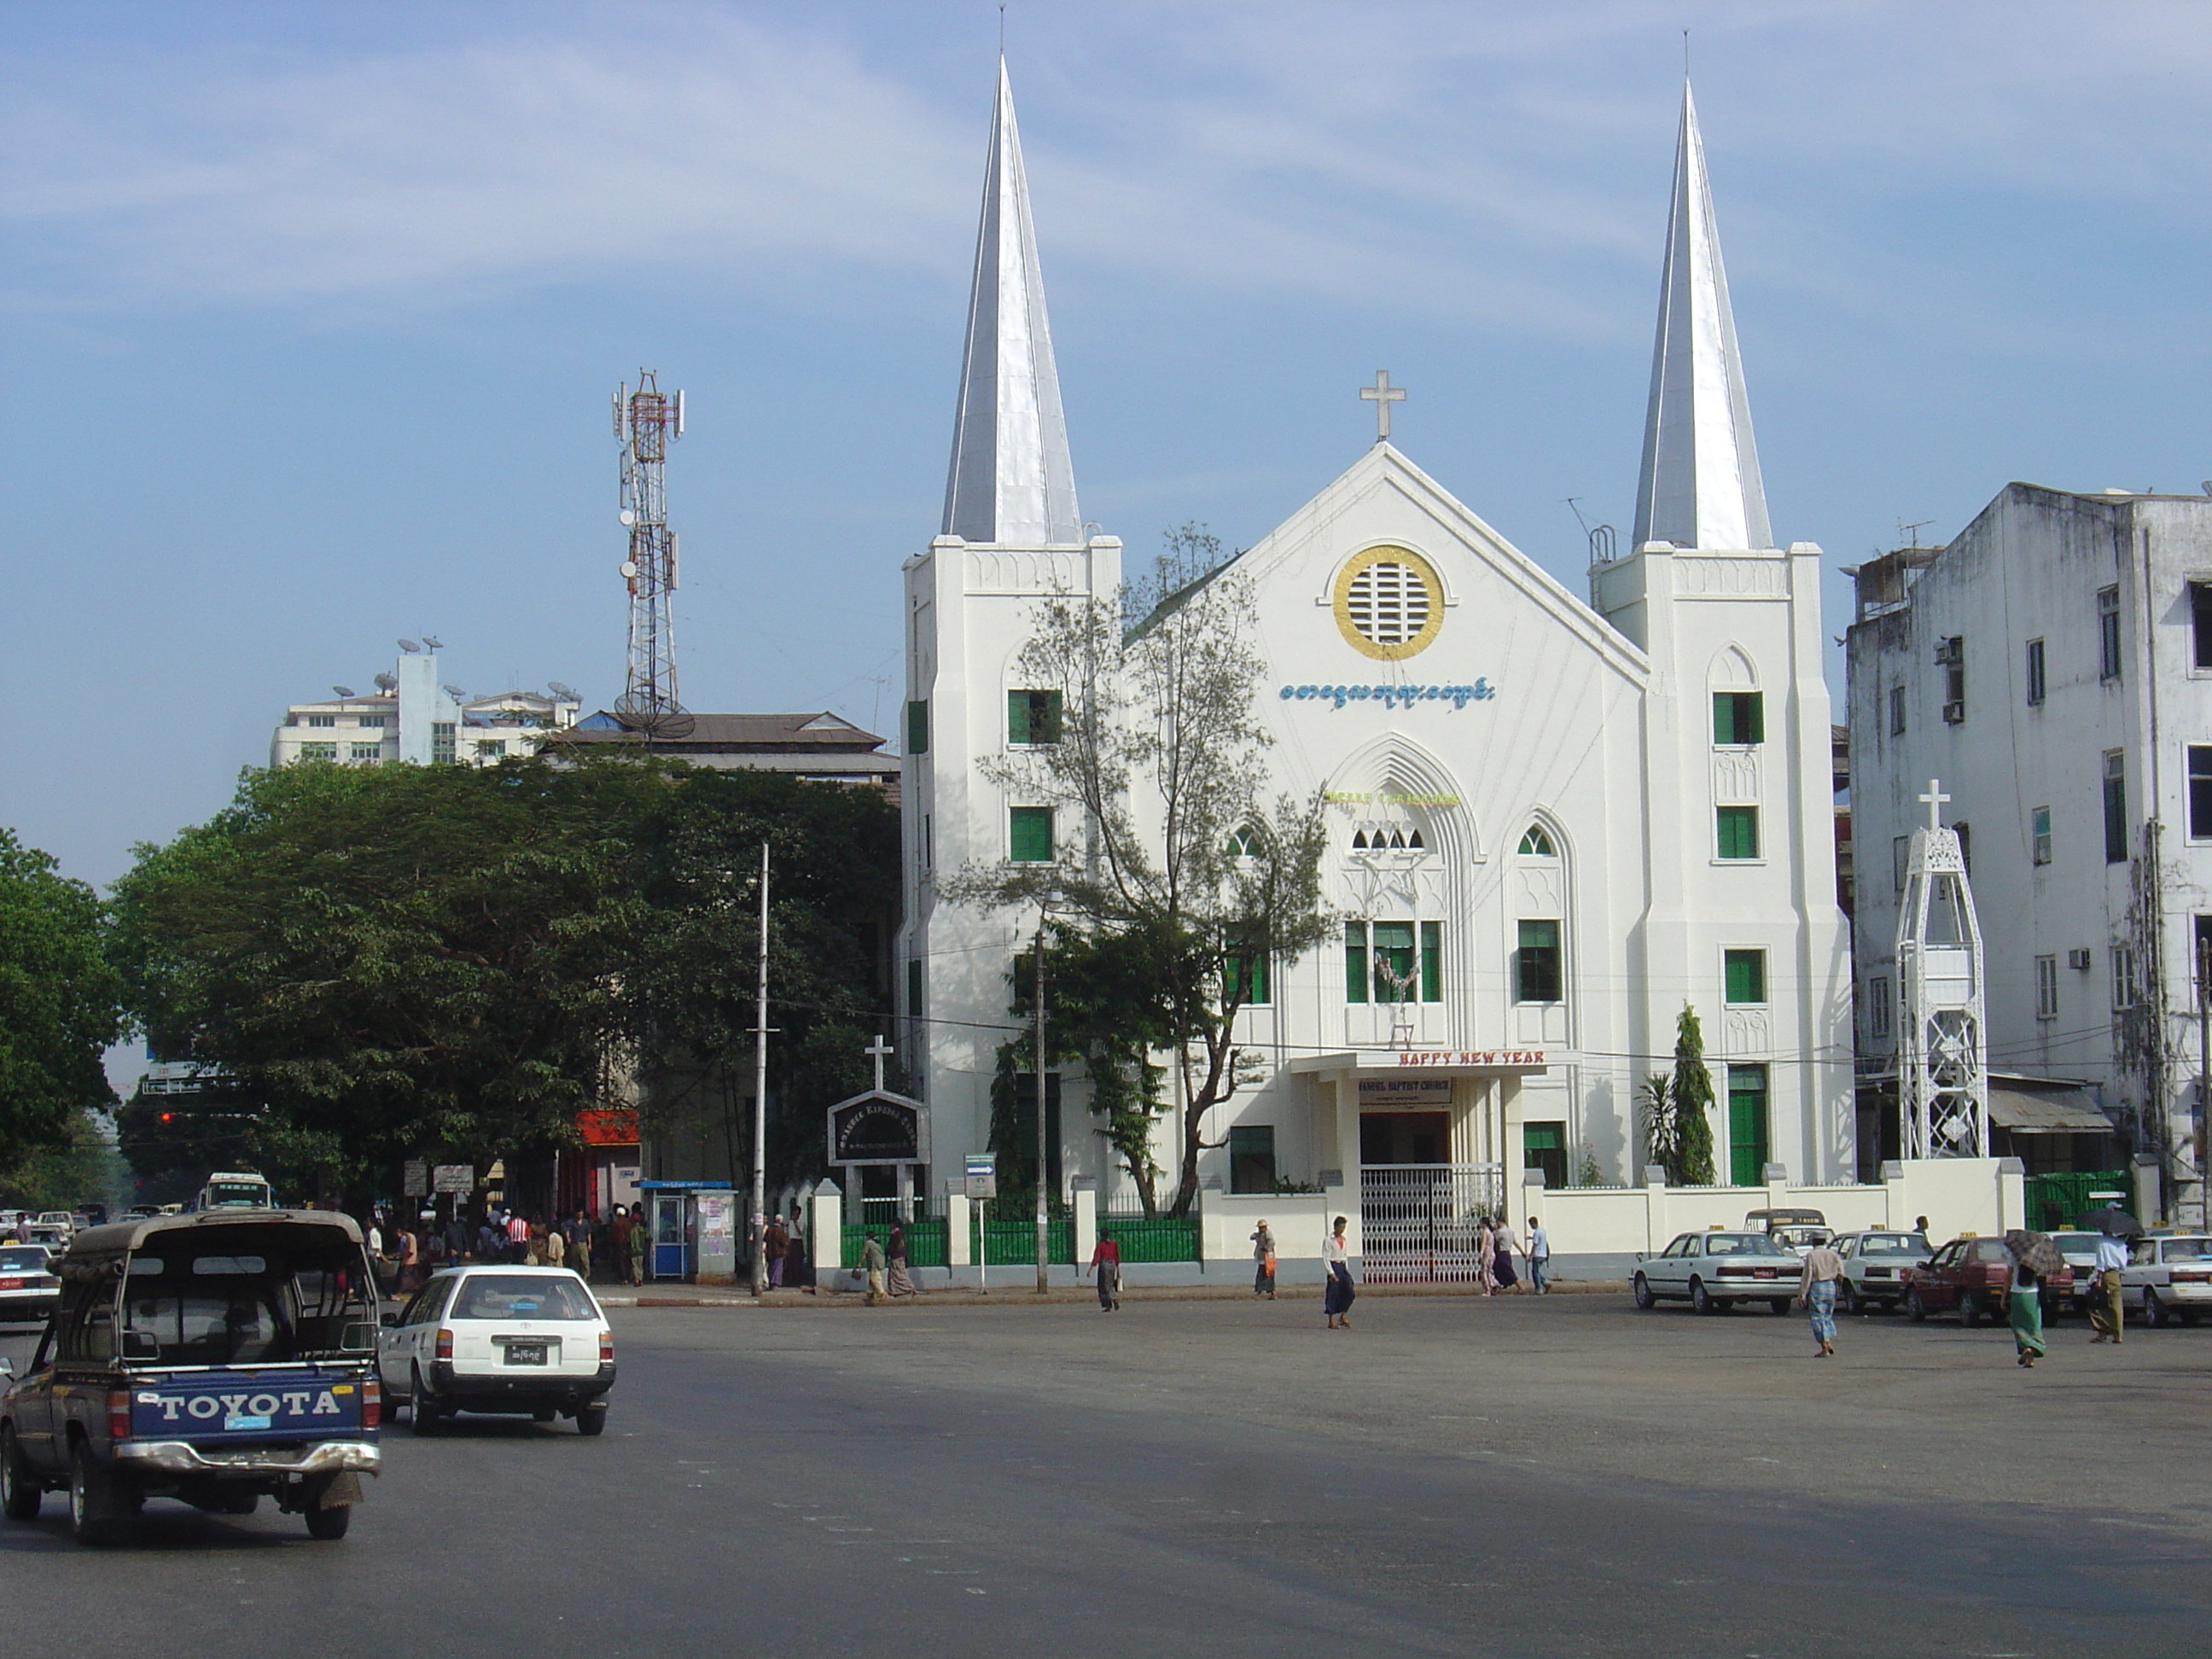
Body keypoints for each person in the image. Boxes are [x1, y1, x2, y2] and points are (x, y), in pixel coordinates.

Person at [1796, 1235, 1844, 1357]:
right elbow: (1841, 1272)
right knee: (1827, 1316)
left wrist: (1802, 1294)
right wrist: (1838, 1286)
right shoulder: (1833, 1254)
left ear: (1813, 1242)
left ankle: (1824, 1348)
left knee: (1817, 1317)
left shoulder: (1812, 1255)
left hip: (1818, 1286)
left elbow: (1807, 1275)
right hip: (1831, 1286)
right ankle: (1828, 1342)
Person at [2006, 1237, 2047, 1368]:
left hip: (2017, 1293)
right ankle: (2031, 1355)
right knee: (2034, 1325)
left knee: (2018, 1324)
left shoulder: (2015, 1255)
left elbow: (2008, 1276)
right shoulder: (2037, 1257)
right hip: (2033, 1293)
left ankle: (2026, 1347)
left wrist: (2003, 1297)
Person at [2091, 1230, 2127, 1344]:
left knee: (2097, 1303)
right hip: (2117, 1274)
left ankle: (2102, 1331)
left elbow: (2101, 1262)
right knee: (2116, 1305)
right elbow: (2123, 1262)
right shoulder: (2120, 1242)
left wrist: (2099, 1279)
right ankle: (2118, 1335)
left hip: (2106, 1274)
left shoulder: (2102, 1242)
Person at [1323, 1215, 1356, 1329]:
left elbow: (1345, 1256)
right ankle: (1331, 1320)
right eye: (1340, 1227)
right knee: (1333, 1293)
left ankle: (1343, 1314)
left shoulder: (1344, 1240)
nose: (1342, 1229)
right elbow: (1326, 1257)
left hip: (1342, 1267)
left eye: (1344, 1227)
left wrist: (1346, 1269)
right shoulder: (1328, 1240)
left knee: (1349, 1291)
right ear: (1335, 1227)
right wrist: (1331, 1273)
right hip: (1333, 1266)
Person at [1088, 1231, 1122, 1312]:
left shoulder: (1100, 1245)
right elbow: (1116, 1256)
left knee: (1103, 1285)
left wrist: (1091, 1269)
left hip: (1104, 1265)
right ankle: (1111, 1301)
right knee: (1110, 1283)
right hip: (1112, 1265)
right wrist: (1118, 1269)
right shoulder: (1113, 1244)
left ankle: (1110, 1302)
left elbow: (1097, 1256)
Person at [886, 1222, 917, 1297]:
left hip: (896, 1256)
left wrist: (888, 1252)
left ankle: (909, 1288)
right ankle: (895, 1291)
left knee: (898, 1274)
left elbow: (893, 1246)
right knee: (896, 1274)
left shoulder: (896, 1234)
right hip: (900, 1256)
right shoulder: (900, 1234)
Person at [1492, 1216, 1522, 1293]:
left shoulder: (1501, 1232)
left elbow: (1494, 1238)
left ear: (1499, 1222)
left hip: (1502, 1253)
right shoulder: (1510, 1231)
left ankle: (1520, 1286)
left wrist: (1494, 1230)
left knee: (1505, 1270)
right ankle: (1500, 1285)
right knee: (1502, 1270)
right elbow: (1515, 1242)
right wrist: (1522, 1251)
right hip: (1508, 1252)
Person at [1525, 1215, 1551, 1295]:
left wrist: (1531, 1255)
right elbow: (1540, 1239)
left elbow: (1535, 1245)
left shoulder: (1536, 1232)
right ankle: (1545, 1282)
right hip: (1543, 1254)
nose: (1530, 1226)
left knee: (1534, 1272)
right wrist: (1531, 1238)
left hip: (1537, 1254)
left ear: (1534, 1223)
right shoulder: (1542, 1231)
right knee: (1537, 1271)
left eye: (1530, 1224)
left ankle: (1539, 1288)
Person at [1251, 1220, 1277, 1300]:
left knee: (1264, 1275)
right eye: (1260, 1227)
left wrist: (1266, 1248)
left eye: (1263, 1227)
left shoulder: (1267, 1234)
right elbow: (1251, 1237)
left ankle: (1261, 1293)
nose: (1261, 1229)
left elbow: (1272, 1242)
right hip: (1262, 1258)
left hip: (1267, 1258)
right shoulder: (1260, 1235)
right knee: (1266, 1275)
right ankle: (1271, 1294)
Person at [859, 1230, 887, 1305]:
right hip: (879, 1262)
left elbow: (864, 1253)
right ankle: (870, 1294)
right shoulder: (876, 1242)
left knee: (875, 1279)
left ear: (868, 1236)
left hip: (875, 1264)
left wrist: (859, 1263)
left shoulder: (869, 1243)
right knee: (872, 1280)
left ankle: (882, 1293)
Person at [765, 1215, 789, 1288]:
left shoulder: (769, 1229)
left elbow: (766, 1239)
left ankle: (770, 1281)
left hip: (770, 1251)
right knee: (778, 1267)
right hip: (779, 1252)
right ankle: (775, 1282)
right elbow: (783, 1242)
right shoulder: (780, 1230)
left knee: (771, 1267)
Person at [568, 1211, 593, 1281]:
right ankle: (575, 1277)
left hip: (583, 1243)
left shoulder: (585, 1222)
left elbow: (588, 1233)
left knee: (585, 1261)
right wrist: (568, 1239)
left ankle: (585, 1277)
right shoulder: (572, 1222)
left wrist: (589, 1244)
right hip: (574, 1243)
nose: (580, 1215)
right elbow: (568, 1231)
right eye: (578, 1214)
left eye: (581, 1214)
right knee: (574, 1261)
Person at [628, 1208, 651, 1284]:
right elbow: (648, 1237)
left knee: (634, 1265)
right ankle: (640, 1279)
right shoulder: (642, 1229)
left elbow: (627, 1240)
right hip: (641, 1250)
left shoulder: (631, 1230)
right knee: (640, 1265)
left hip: (633, 1250)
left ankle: (636, 1279)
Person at [1476, 1217, 1497, 1295]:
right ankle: (1493, 1284)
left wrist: (1481, 1253)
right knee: (1489, 1271)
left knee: (1484, 1271)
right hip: (1492, 1253)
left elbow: (1484, 1243)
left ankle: (1488, 1289)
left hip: (1487, 1253)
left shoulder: (1485, 1232)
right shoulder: (1491, 1232)